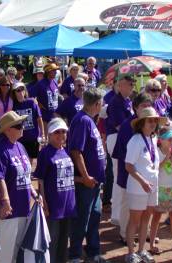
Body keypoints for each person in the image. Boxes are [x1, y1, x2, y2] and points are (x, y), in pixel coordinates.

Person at [0, 111, 40, 263]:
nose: (22, 127)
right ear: (7, 129)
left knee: (19, 252)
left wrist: (34, 194)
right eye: (18, 125)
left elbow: (25, 176)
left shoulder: (20, 146)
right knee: (6, 254)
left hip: (24, 208)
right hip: (9, 211)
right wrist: (5, 202)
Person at [68, 88, 107, 263]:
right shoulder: (82, 121)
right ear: (97, 104)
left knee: (94, 217)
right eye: (102, 103)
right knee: (82, 220)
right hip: (86, 182)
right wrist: (85, 177)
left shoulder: (89, 119)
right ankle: (75, 255)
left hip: (95, 182)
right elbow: (76, 151)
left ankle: (93, 253)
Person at [125, 107, 167, 263]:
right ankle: (130, 253)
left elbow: (153, 164)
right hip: (138, 186)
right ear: (141, 123)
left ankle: (141, 250)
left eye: (155, 120)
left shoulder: (153, 139)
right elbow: (128, 166)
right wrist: (142, 181)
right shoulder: (135, 140)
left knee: (146, 220)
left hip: (152, 186)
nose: (153, 123)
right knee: (134, 220)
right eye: (150, 120)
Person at [112, 93, 153, 245]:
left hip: (146, 172)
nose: (147, 108)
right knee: (126, 202)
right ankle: (124, 233)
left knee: (145, 204)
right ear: (135, 108)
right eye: (143, 106)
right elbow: (122, 153)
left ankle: (144, 232)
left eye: (149, 106)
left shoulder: (151, 123)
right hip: (129, 171)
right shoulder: (127, 125)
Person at [34, 117, 76, 263]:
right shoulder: (45, 153)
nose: (61, 135)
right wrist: (44, 201)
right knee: (52, 240)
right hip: (53, 205)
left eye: (63, 132)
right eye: (57, 132)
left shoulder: (65, 150)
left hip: (68, 204)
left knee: (64, 241)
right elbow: (41, 179)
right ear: (50, 134)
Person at [105, 74, 134, 225]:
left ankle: (119, 212)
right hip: (116, 138)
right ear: (120, 86)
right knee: (118, 177)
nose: (132, 86)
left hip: (122, 138)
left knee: (121, 176)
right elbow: (119, 126)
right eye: (130, 83)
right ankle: (116, 215)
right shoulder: (116, 102)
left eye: (133, 84)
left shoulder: (128, 101)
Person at [149, 127, 172, 255]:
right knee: (156, 217)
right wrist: (166, 158)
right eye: (169, 138)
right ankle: (151, 245)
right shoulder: (155, 152)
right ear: (161, 140)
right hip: (160, 189)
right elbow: (154, 169)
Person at [11, 82, 44, 163]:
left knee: (31, 159)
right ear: (14, 93)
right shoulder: (13, 105)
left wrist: (42, 134)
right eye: (18, 90)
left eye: (22, 89)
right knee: (21, 159)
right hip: (19, 138)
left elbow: (39, 118)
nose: (20, 92)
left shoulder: (31, 102)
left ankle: (28, 175)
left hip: (33, 136)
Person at [35, 63, 60, 131]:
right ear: (48, 72)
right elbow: (32, 97)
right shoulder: (40, 84)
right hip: (44, 117)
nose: (56, 72)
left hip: (54, 115)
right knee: (46, 139)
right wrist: (38, 105)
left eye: (56, 70)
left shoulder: (55, 82)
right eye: (53, 70)